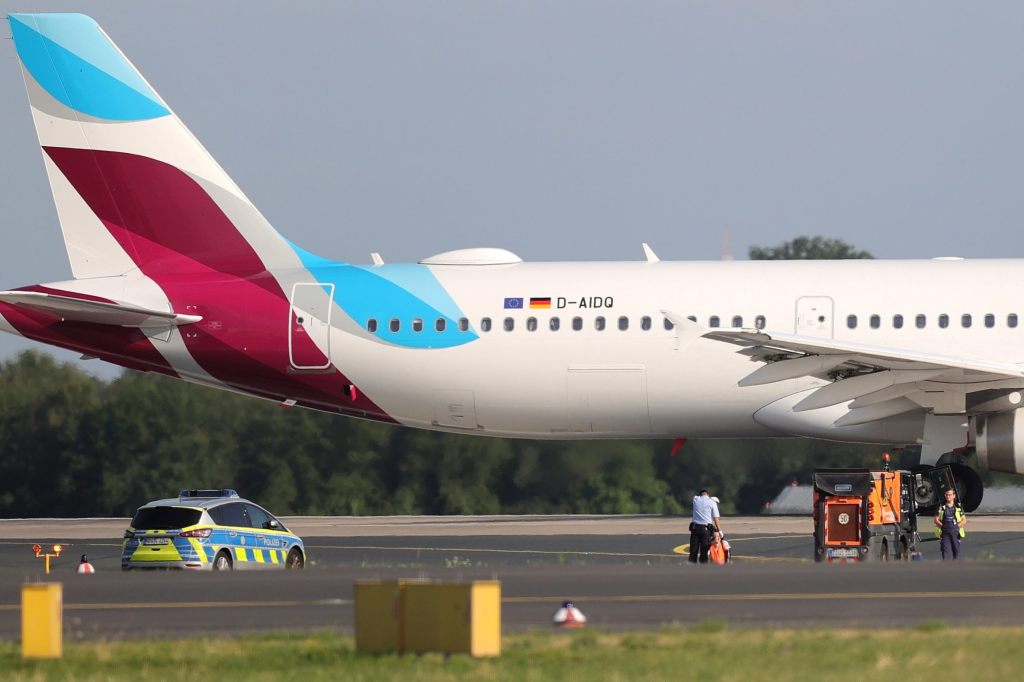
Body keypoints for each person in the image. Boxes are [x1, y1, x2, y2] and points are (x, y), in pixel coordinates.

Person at [688, 489, 722, 564]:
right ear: (708, 494)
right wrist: (719, 530)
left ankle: (690, 567)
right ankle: (703, 568)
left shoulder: (695, 499)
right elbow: (716, 518)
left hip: (695, 529)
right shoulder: (712, 502)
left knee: (693, 551)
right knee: (704, 552)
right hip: (706, 530)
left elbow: (696, 497)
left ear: (700, 495)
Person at [933, 488, 966, 560]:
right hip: (945, 532)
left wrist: (956, 526)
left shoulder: (958, 507)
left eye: (950, 495)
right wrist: (943, 526)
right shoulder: (941, 507)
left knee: (956, 552)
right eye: (946, 495)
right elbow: (936, 520)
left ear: (954, 496)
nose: (948, 496)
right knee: (945, 552)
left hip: (956, 532)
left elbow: (964, 520)